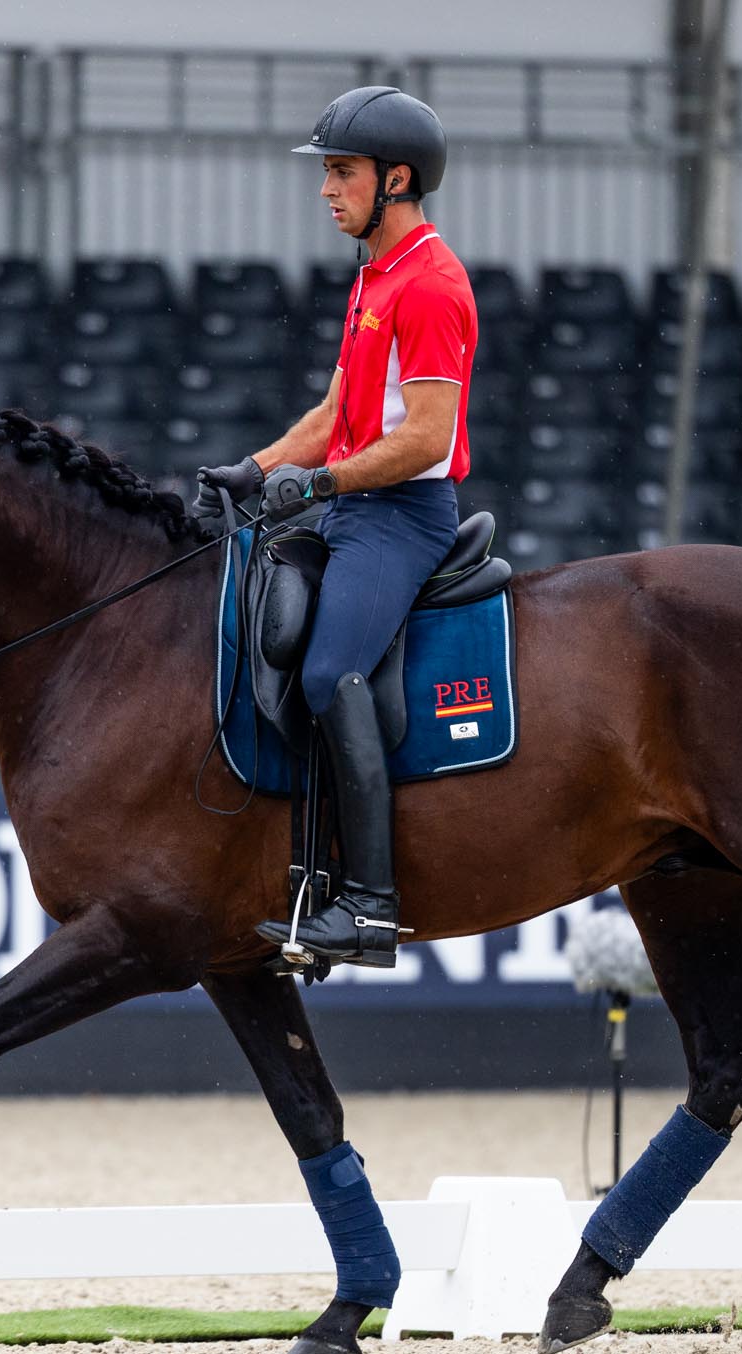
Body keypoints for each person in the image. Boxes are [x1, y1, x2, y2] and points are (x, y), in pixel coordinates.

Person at [196, 85, 478, 968]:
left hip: (402, 518)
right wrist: (260, 467)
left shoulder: (431, 284)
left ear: (397, 179)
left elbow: (427, 437)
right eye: (326, 173)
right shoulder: (375, 276)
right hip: (357, 504)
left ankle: (369, 905)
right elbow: (337, 411)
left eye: (342, 172)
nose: (328, 189)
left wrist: (319, 482)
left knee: (329, 669)